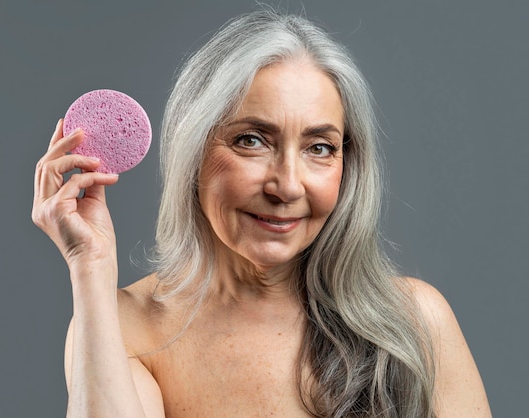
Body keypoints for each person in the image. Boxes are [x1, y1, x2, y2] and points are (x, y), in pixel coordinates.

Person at [32, 10, 491, 418]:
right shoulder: (123, 328)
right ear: (192, 152)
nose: (287, 185)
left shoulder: (415, 323)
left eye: (319, 148)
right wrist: (90, 267)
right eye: (252, 140)